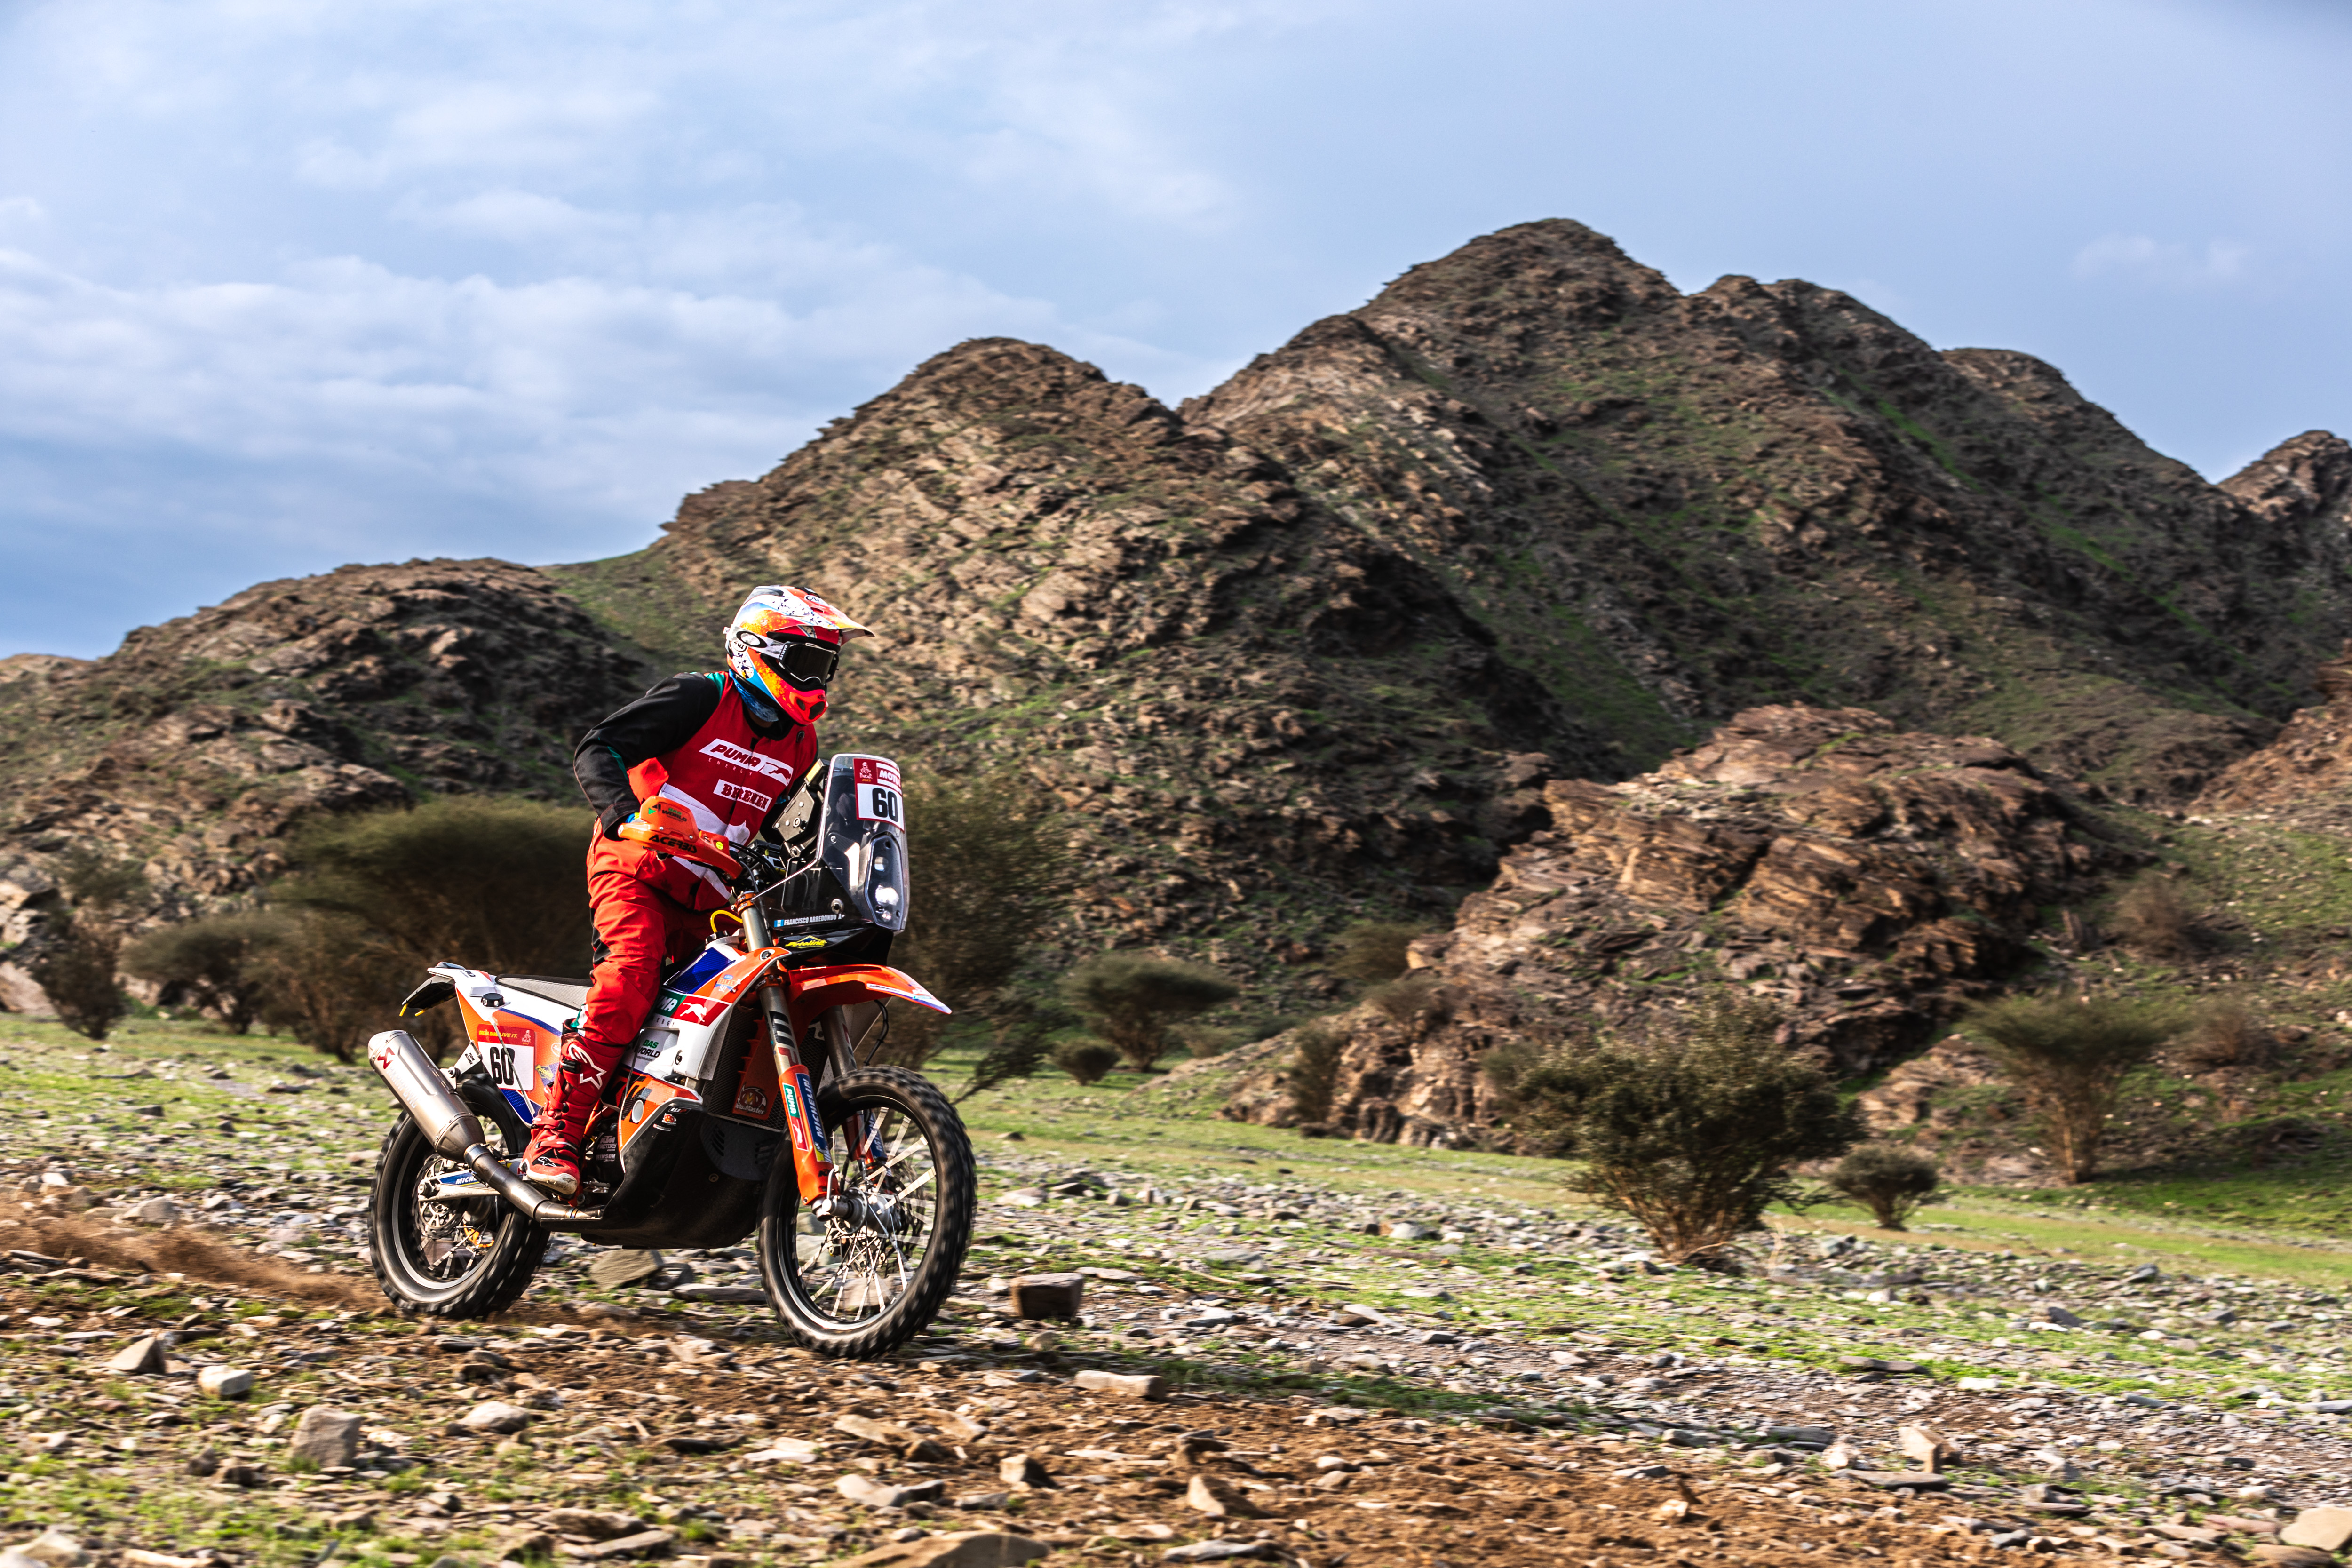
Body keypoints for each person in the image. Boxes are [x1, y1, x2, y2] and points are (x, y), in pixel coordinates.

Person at [517, 584, 871, 1195]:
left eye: (826, 665)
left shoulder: (802, 743)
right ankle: (554, 1136)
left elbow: (779, 824)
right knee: (631, 979)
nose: (818, 679)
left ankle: (650, 1137)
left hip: (712, 899)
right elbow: (599, 747)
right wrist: (624, 815)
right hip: (636, 870)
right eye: (807, 661)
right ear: (759, 650)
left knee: (726, 1008)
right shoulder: (701, 696)